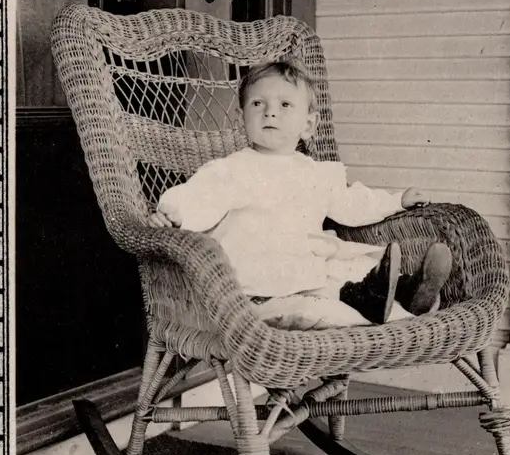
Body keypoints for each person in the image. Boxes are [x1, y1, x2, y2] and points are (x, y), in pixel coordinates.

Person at [150, 59, 452, 327]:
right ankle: (380, 296)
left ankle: (404, 291)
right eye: (257, 104)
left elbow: (350, 204)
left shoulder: (315, 172)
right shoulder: (232, 169)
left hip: (306, 261)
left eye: (284, 105)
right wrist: (174, 212)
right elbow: (200, 195)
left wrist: (395, 200)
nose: (270, 113)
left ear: (308, 124)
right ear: (243, 117)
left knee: (349, 265)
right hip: (258, 273)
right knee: (322, 287)